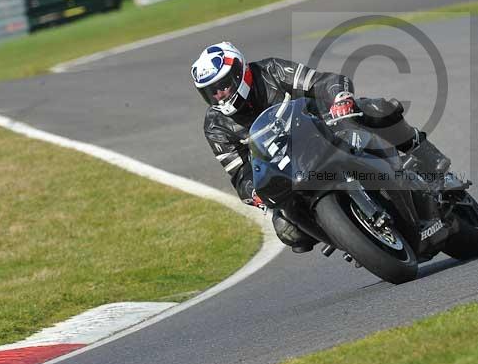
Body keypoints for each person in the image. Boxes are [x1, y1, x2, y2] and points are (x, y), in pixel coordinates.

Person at [191, 42, 451, 253]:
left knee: (376, 109)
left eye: (223, 86)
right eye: (211, 92)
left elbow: (320, 81)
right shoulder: (215, 125)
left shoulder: (271, 71)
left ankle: (426, 155)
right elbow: (239, 173)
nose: (220, 95)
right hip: (287, 168)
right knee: (287, 229)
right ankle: (353, 240)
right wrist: (253, 191)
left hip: (322, 129)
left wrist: (339, 99)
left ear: (241, 73)